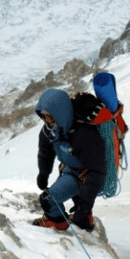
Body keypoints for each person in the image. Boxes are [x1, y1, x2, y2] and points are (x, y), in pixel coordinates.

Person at [32, 88, 106, 232]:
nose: (46, 120)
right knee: (75, 197)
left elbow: (97, 172)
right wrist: (43, 174)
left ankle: (58, 222)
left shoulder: (84, 134)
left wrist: (83, 209)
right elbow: (45, 153)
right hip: (72, 168)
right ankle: (84, 220)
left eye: (49, 115)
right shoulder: (49, 130)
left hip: (87, 174)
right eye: (44, 116)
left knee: (48, 199)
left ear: (59, 113)